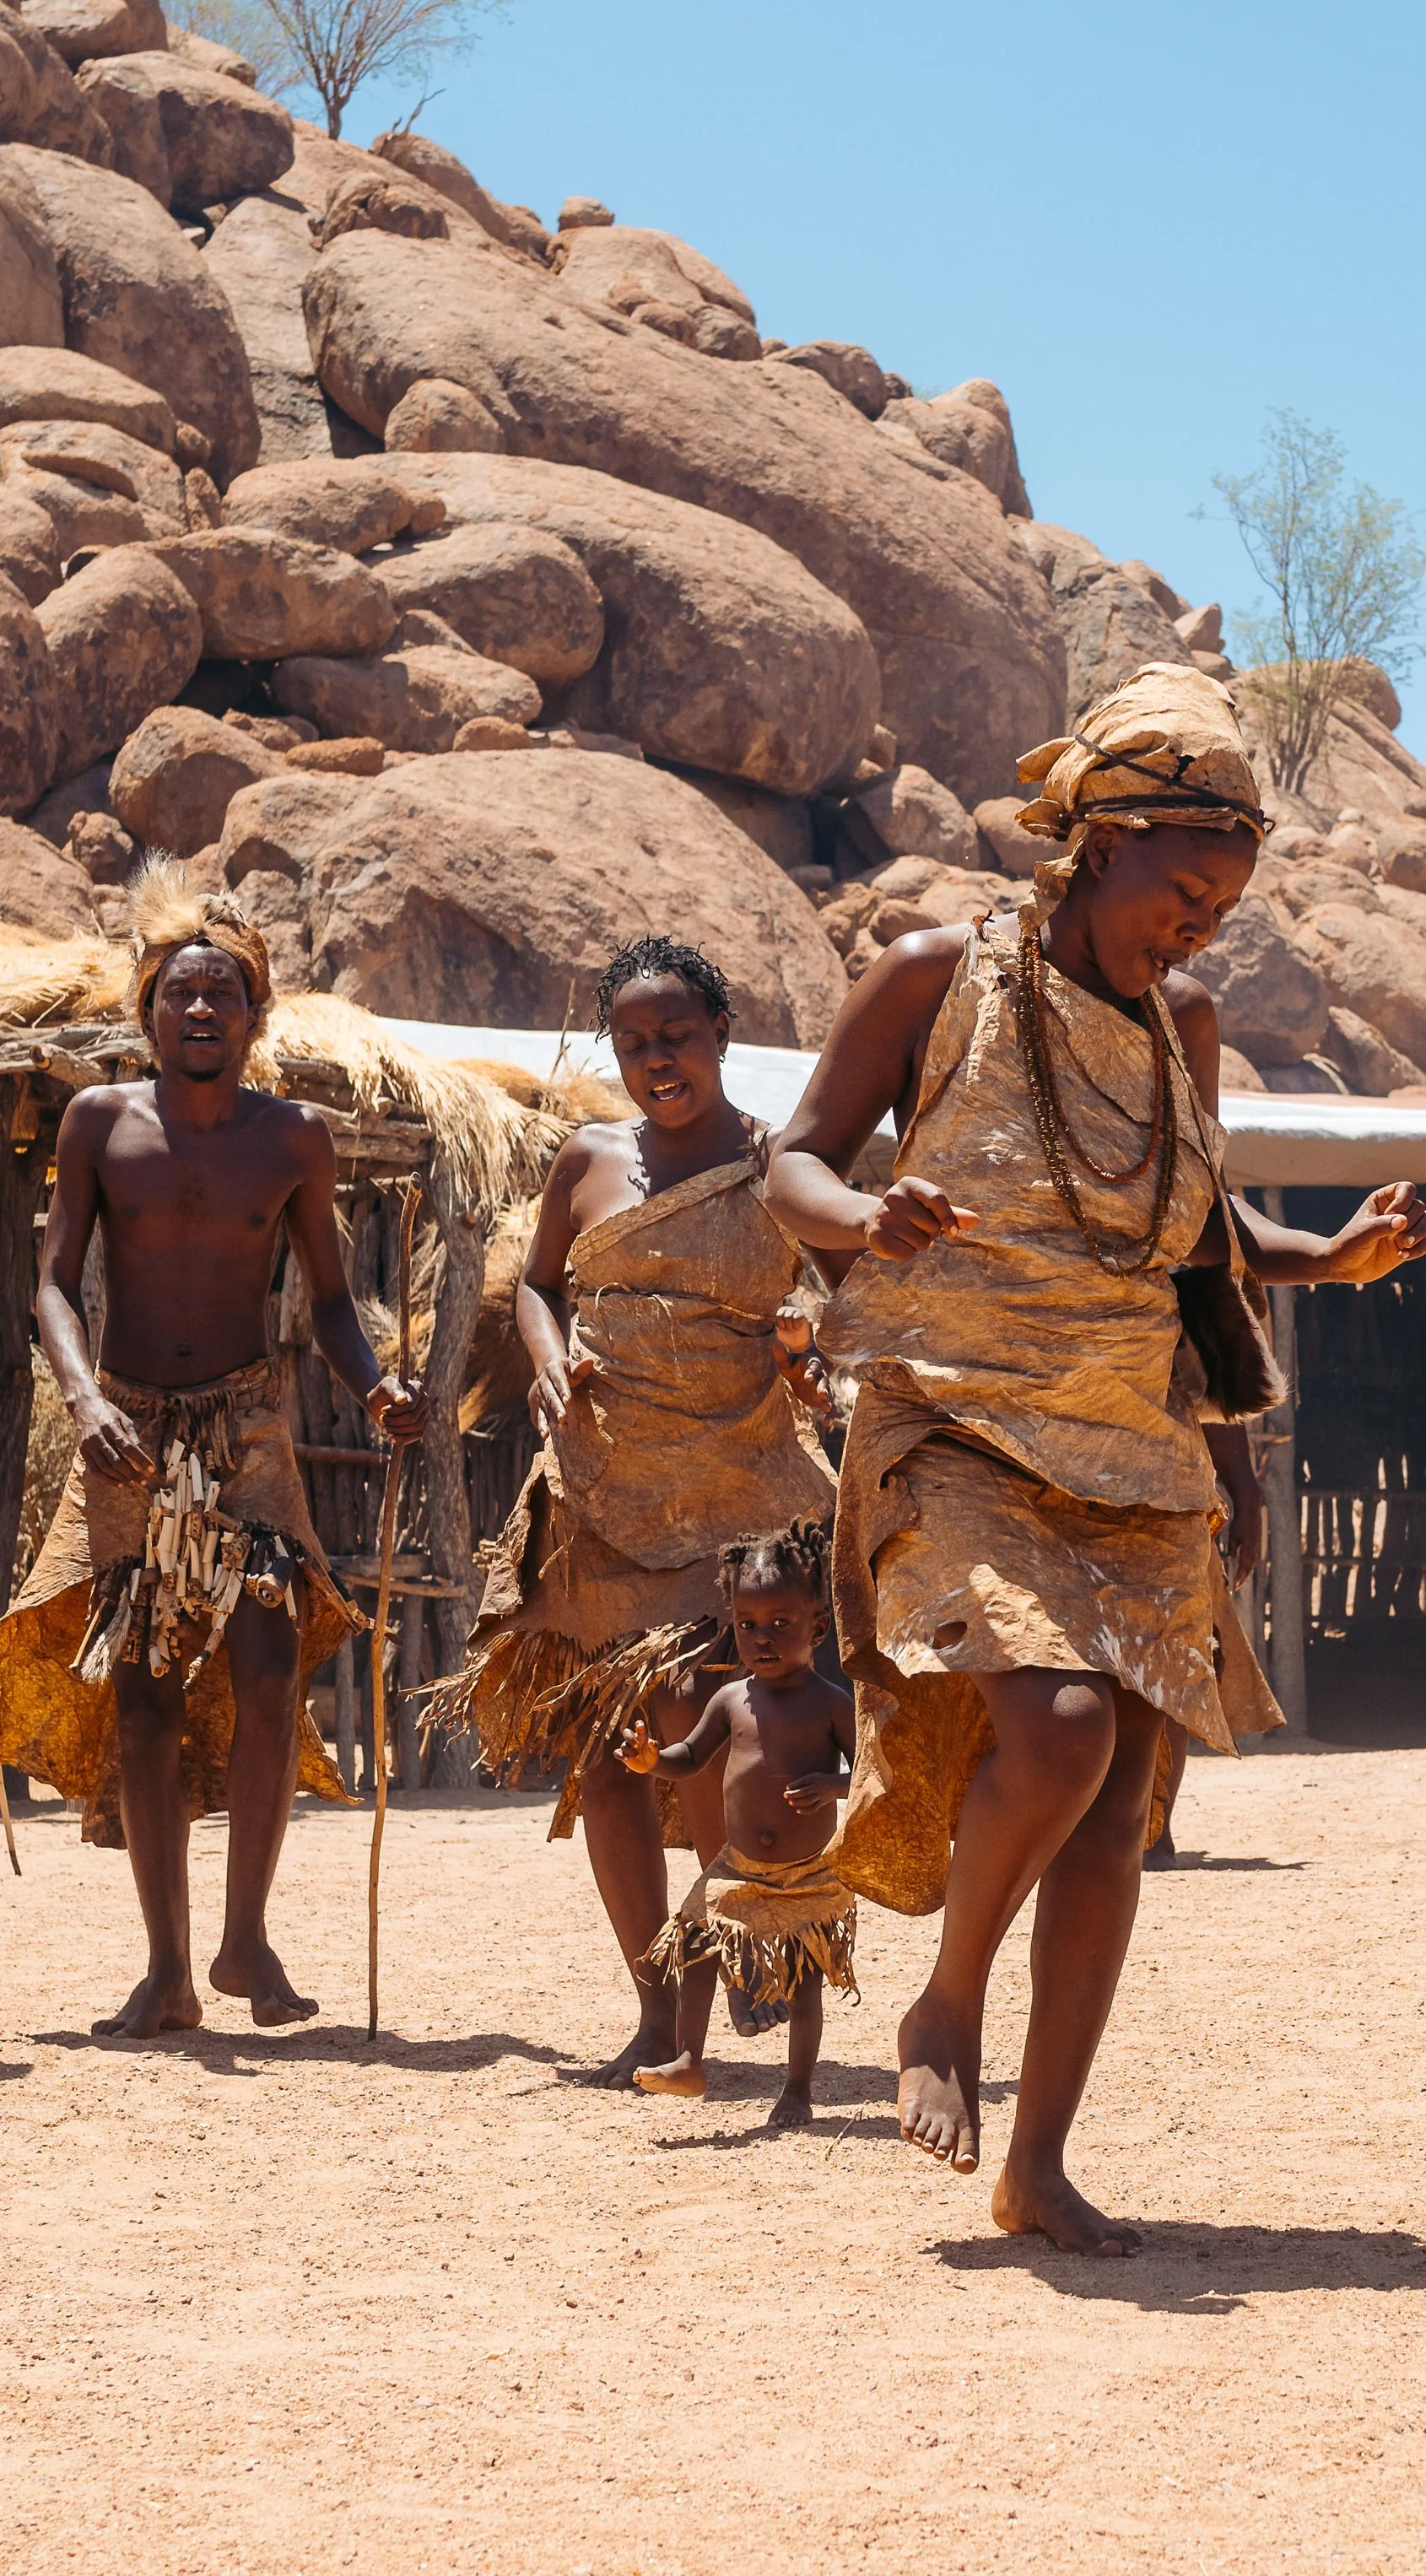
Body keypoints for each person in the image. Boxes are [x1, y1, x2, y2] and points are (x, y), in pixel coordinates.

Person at [764, 662, 1426, 2254]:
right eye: (1183, 889)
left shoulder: (1182, 1024)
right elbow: (788, 1160)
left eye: (1222, 906)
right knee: (1059, 1736)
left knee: (1124, 1795)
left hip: (1136, 1442)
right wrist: (867, 1217)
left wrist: (1321, 1262)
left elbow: (1193, 1228)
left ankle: (1040, 2162)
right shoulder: (935, 979)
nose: (1197, 926)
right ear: (1100, 839)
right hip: (957, 1418)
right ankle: (945, 2009)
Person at [0, 870, 425, 2035]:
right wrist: (83, 1401)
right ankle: (168, 1968)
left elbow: (333, 1301)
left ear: (254, 1018)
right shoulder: (99, 1123)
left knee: (274, 1667)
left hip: (245, 1427)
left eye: (221, 995)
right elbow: (54, 1286)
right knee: (142, 1689)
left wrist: (377, 1384)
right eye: (180, 992)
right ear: (148, 1013)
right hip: (128, 1423)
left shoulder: (295, 1138)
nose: (199, 1011)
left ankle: (246, 1941)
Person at [433, 937, 834, 2083]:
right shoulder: (586, 1159)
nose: (657, 1058)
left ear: (721, 1032)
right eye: (635, 1041)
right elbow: (536, 1285)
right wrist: (548, 1356)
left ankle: (741, 1963)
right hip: (600, 1494)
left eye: (677, 1035)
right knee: (611, 1763)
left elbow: (850, 1301)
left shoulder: (782, 1164)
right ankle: (660, 2013)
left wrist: (812, 1356)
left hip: (733, 1494)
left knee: (708, 1746)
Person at [613, 1520, 858, 2125]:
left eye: (781, 1624)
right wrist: (651, 1760)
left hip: (807, 1872)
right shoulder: (730, 1700)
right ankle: (690, 2059)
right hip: (737, 1867)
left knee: (803, 1986)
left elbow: (870, 1770)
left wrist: (833, 1784)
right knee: (696, 1946)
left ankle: (798, 2089)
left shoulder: (830, 1702)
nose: (762, 1637)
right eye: (747, 1625)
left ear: (818, 1628)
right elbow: (689, 1758)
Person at [1143, 1420, 1262, 1870]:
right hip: (1065, 1495)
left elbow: (1213, 1371)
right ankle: (1115, 1825)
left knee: (1177, 1668)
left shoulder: (1182, 1351)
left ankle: (1155, 1830)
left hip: (1174, 1504)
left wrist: (1246, 1492)